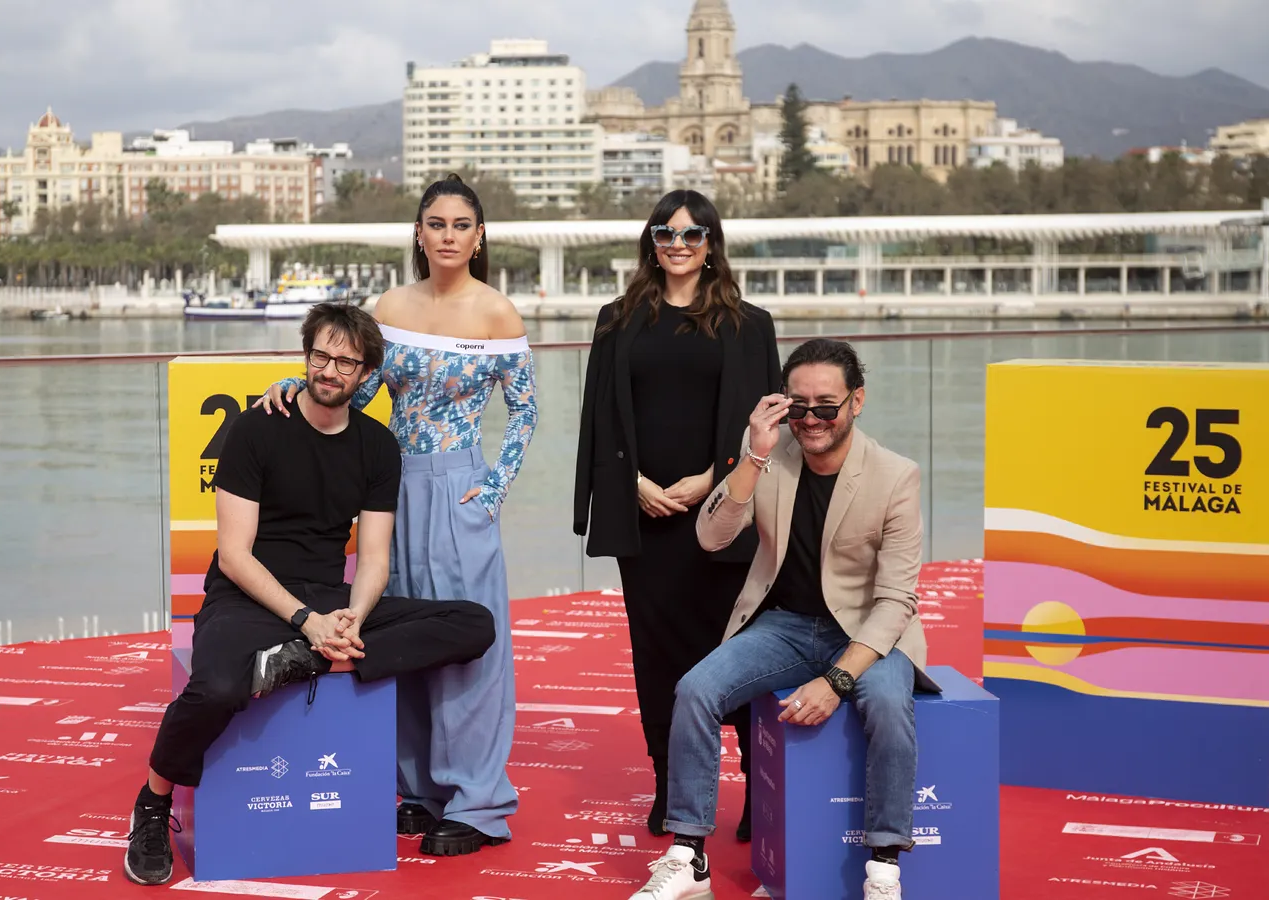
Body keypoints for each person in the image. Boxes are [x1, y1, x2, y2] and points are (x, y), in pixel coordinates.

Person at [124, 303, 498, 886]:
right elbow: (234, 556)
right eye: (321, 356)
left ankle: (305, 659)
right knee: (218, 686)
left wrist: (352, 618)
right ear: (306, 356)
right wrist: (304, 619)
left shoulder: (377, 446)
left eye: (346, 362)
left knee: (473, 622)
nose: (330, 370)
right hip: (247, 597)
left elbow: (374, 559)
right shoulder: (255, 429)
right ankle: (153, 803)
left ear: (365, 373)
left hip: (328, 600)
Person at [255, 173, 536, 857]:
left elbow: (524, 411)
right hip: (389, 489)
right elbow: (362, 389)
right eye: (436, 224)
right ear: (419, 232)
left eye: (461, 225)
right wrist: (300, 383)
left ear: (479, 236)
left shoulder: (497, 312)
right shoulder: (391, 305)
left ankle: (477, 802)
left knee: (468, 643)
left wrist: (493, 488)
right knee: (397, 630)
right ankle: (417, 789)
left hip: (461, 490)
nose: (448, 236)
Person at [629, 338, 938, 900]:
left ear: (857, 401)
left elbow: (896, 600)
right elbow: (710, 536)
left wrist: (836, 680)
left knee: (889, 705)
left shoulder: (896, 475)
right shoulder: (769, 458)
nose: (811, 419)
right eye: (799, 406)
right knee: (695, 689)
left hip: (866, 630)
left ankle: (884, 868)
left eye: (827, 406)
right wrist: (753, 456)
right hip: (786, 625)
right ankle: (689, 857)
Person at [572, 189, 780, 840]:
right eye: (666, 234)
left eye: (692, 235)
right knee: (657, 658)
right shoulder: (617, 320)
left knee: (737, 653)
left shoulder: (750, 325)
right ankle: (670, 784)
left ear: (711, 244)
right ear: (651, 243)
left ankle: (757, 789)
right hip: (646, 521)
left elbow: (767, 425)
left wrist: (714, 479)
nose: (679, 245)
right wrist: (631, 483)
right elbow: (599, 418)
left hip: (725, 516)